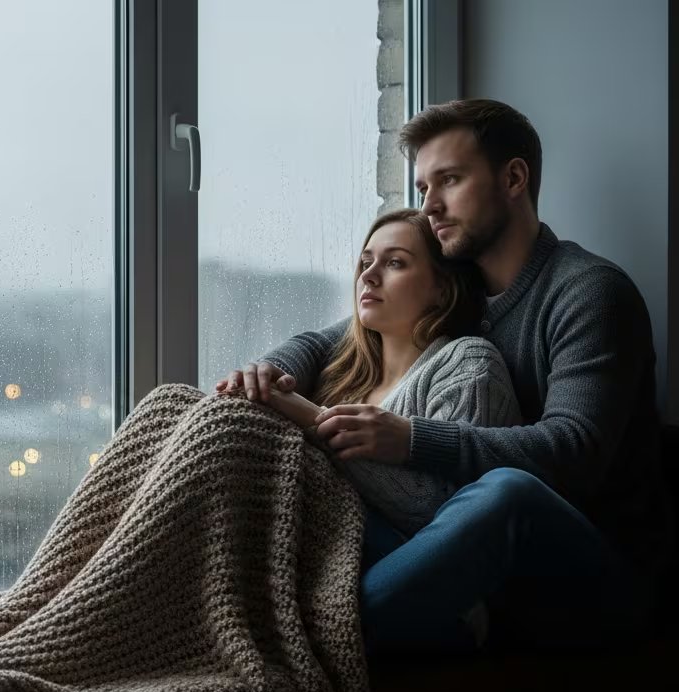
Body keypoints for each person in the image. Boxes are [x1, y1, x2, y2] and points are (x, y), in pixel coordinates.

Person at [220, 99, 666, 655]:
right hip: (465, 556)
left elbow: (574, 452)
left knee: (506, 494)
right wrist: (271, 373)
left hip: (595, 574)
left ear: (513, 178)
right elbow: (328, 340)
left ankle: (323, 642)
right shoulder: (462, 292)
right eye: (423, 187)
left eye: (449, 181)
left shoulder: (587, 292)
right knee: (303, 479)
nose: (429, 205)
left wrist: (410, 439)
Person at [222, 207, 520, 545]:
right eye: (366, 263)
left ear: (443, 288)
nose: (369, 276)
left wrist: (311, 417)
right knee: (183, 403)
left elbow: (441, 513)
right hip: (316, 549)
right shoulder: (342, 372)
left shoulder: (468, 362)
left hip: (406, 562)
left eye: (395, 262)